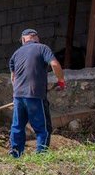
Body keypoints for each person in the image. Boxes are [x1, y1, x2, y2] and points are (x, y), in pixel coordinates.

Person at [8, 29, 66, 158]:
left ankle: (15, 155)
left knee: (17, 126)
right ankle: (41, 157)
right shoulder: (42, 48)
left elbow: (13, 77)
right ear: (36, 38)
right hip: (35, 95)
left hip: (18, 95)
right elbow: (55, 64)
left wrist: (16, 94)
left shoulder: (16, 53)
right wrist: (61, 81)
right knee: (42, 128)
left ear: (23, 39)